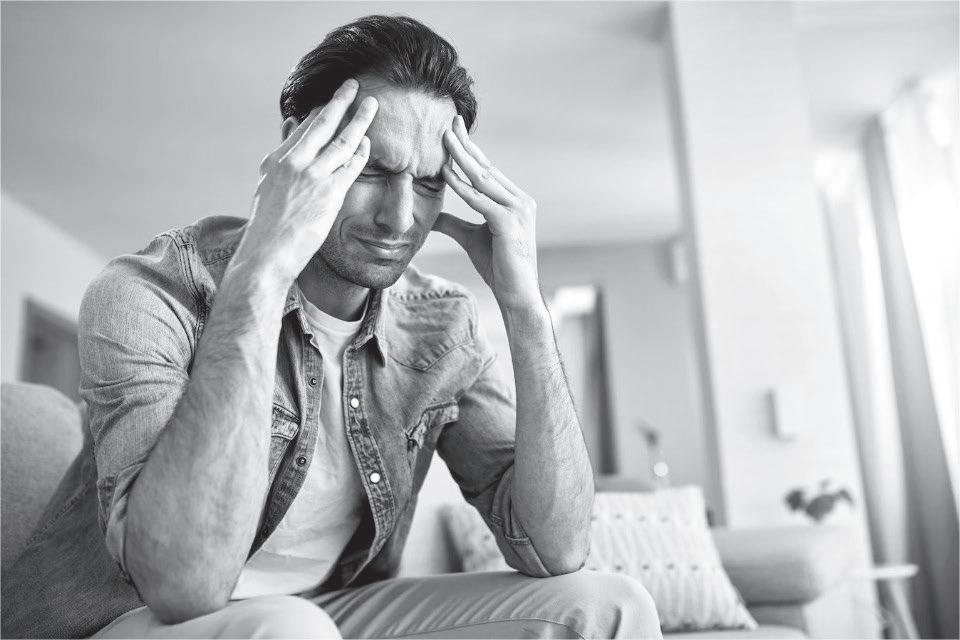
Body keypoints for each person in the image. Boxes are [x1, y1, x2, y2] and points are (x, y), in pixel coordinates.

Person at [1, 14, 662, 639]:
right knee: (292, 629)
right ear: (297, 145)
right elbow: (182, 584)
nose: (400, 218)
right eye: (371, 170)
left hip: (326, 614)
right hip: (127, 617)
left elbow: (556, 549)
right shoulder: (150, 291)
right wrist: (262, 271)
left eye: (429, 183)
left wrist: (526, 309)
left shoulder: (442, 325)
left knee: (607, 605)